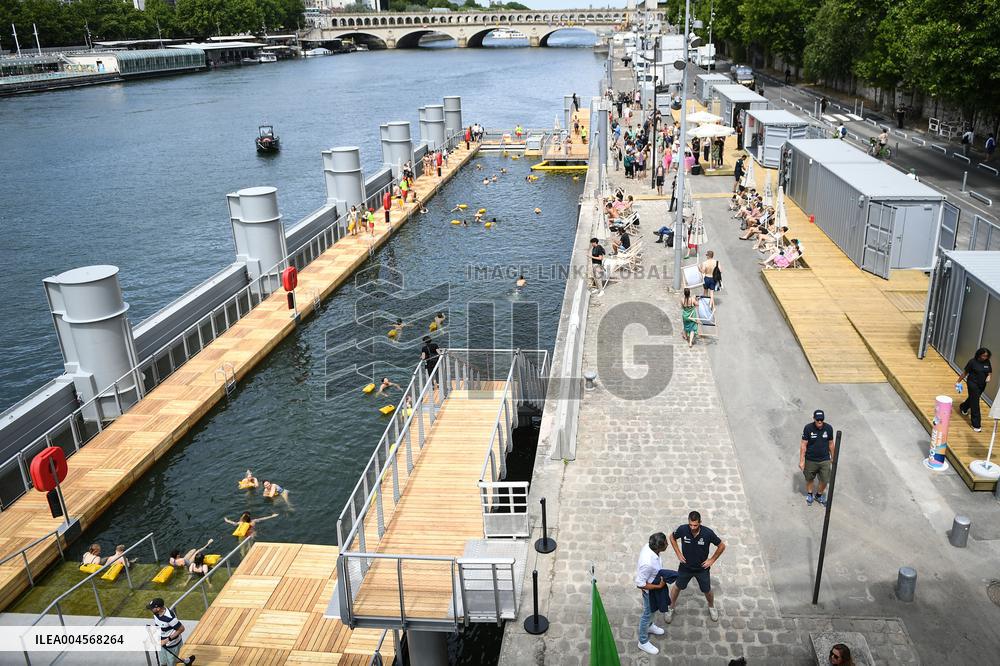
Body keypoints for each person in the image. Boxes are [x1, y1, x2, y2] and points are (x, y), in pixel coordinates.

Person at [665, 511, 726, 623]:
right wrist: (678, 553)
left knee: (707, 590)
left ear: (700, 523)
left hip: (702, 569)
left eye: (695, 525)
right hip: (685, 567)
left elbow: (721, 546)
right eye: (691, 525)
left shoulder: (708, 533)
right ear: (688, 522)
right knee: (677, 586)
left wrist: (712, 560)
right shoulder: (683, 529)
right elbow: (672, 537)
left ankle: (711, 607)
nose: (692, 528)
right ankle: (670, 607)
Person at [635, 532, 669, 656]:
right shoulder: (647, 563)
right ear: (659, 547)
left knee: (652, 612)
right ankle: (642, 641)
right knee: (647, 613)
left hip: (654, 586)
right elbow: (639, 583)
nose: (668, 544)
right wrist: (658, 586)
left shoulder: (651, 547)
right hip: (650, 591)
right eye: (665, 543)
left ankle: (649, 626)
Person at [800, 409, 836, 505]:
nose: (819, 422)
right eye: (817, 420)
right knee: (809, 478)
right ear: (814, 419)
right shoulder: (808, 428)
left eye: (821, 420)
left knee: (825, 480)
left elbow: (831, 443)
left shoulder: (828, 428)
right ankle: (810, 494)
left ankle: (818, 495)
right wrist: (802, 461)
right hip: (810, 459)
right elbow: (803, 444)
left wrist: (833, 457)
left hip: (824, 459)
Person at [957, 347, 992, 432]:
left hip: (982, 385)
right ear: (979, 355)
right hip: (972, 384)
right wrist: (958, 382)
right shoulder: (972, 362)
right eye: (983, 356)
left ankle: (963, 407)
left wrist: (989, 376)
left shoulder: (987, 362)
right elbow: (965, 372)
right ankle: (976, 425)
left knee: (973, 398)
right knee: (975, 403)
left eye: (986, 356)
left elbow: (989, 372)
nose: (985, 357)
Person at [148, 598, 190, 666]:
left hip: (172, 644)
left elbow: (181, 629)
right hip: (162, 643)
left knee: (171, 663)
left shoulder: (170, 618)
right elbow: (159, 625)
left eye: (152, 608)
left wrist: (167, 640)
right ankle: (187, 661)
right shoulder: (156, 613)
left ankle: (186, 661)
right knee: (163, 663)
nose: (151, 609)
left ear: (158, 608)